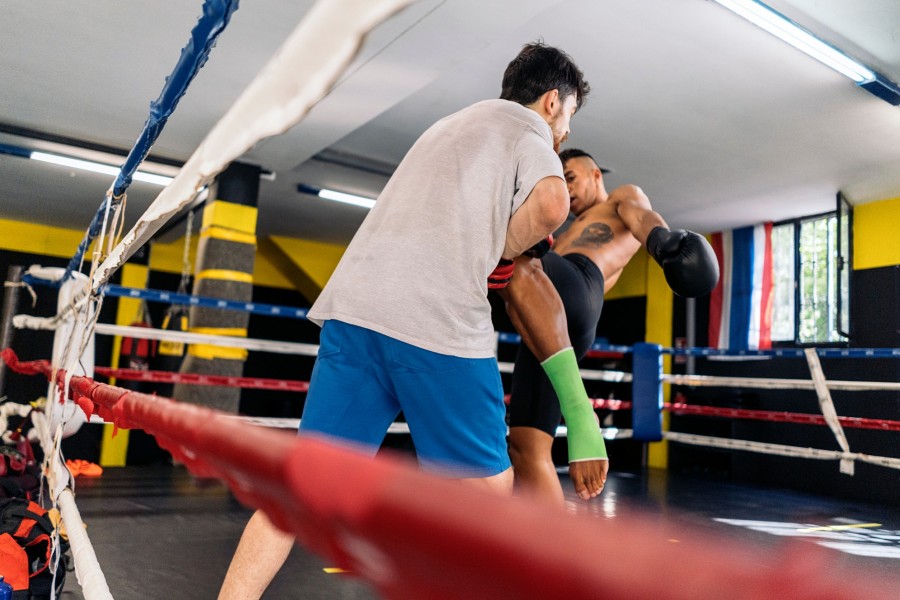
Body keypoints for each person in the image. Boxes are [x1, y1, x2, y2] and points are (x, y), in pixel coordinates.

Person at [218, 42, 590, 600]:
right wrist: (502, 249)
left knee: (294, 498)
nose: (563, 136)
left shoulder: (447, 127)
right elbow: (554, 204)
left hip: (354, 314)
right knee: (489, 489)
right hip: (436, 324)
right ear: (553, 102)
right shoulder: (526, 129)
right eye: (569, 121)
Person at [498, 148, 718, 507]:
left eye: (570, 177)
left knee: (513, 245)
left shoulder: (619, 198)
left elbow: (642, 216)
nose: (565, 188)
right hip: (550, 323)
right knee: (526, 448)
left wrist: (662, 243)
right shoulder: (565, 230)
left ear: (596, 174)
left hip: (577, 286)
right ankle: (552, 554)